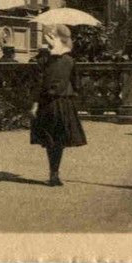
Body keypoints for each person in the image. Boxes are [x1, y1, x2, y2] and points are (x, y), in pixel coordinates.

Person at [30, 24, 87, 186]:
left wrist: (34, 104)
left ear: (54, 39)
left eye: (49, 36)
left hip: (47, 103)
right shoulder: (70, 60)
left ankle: (53, 172)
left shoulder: (43, 60)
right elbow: (76, 84)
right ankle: (54, 173)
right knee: (59, 140)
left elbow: (39, 84)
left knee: (50, 139)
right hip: (64, 103)